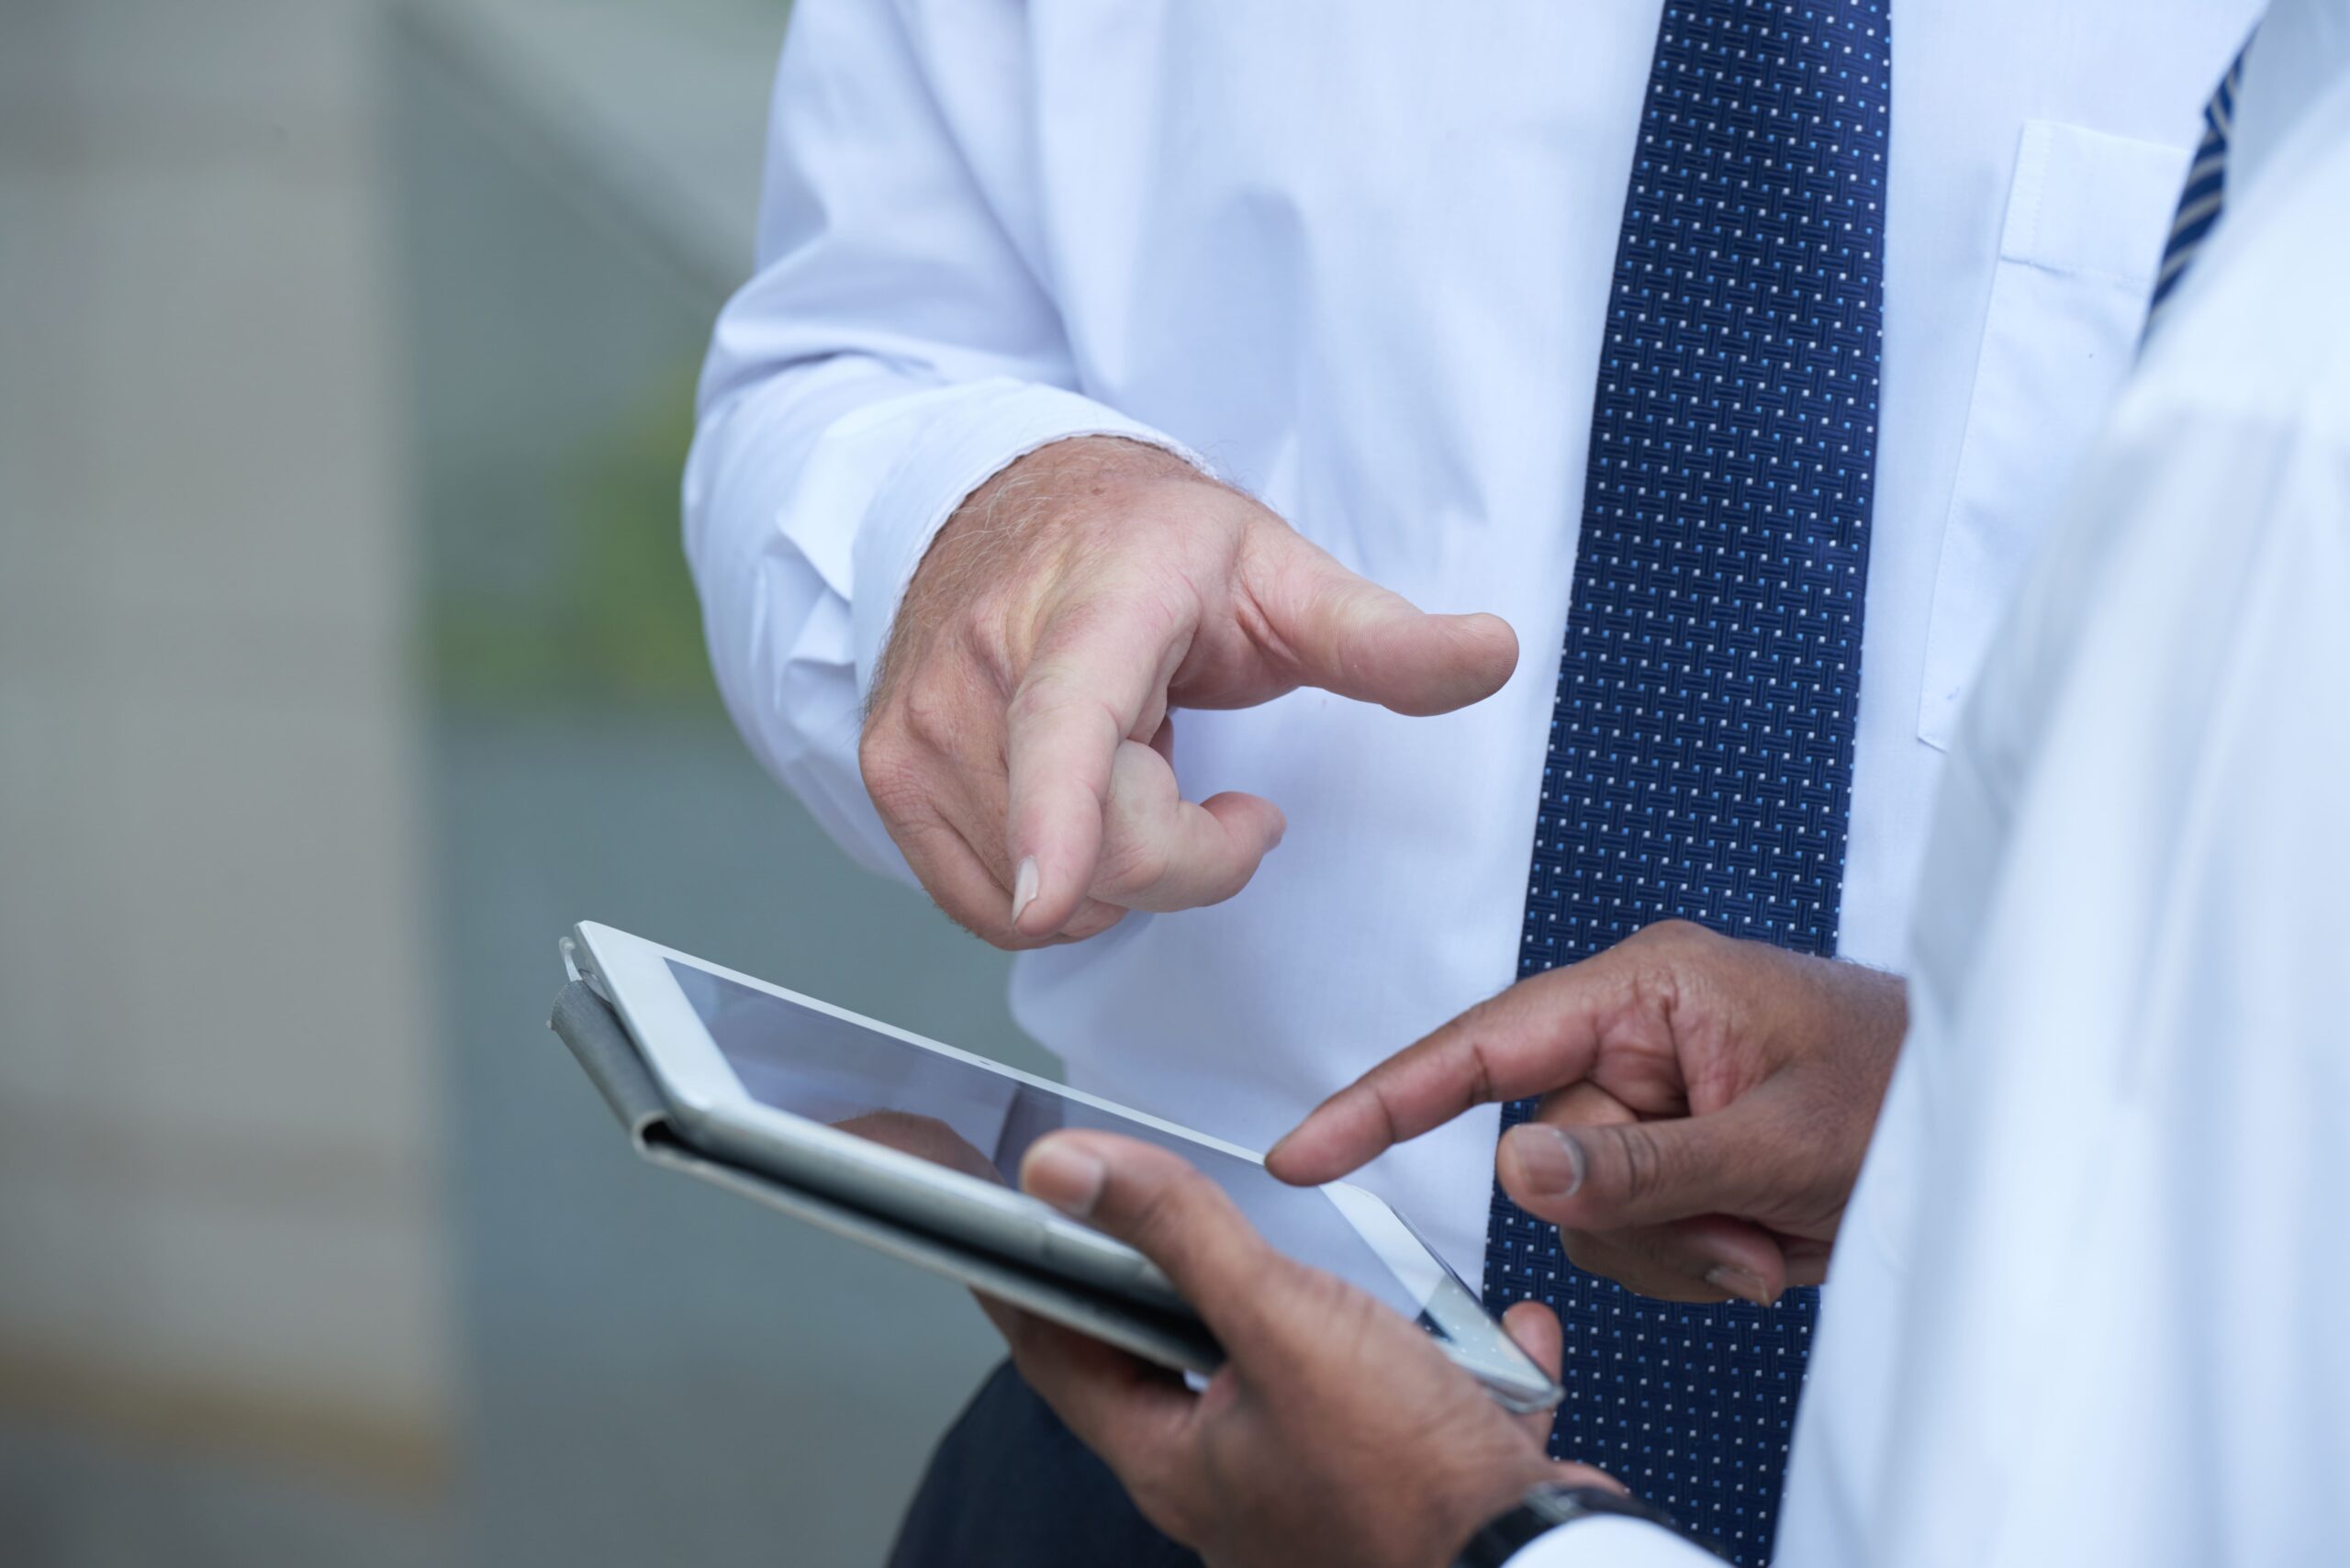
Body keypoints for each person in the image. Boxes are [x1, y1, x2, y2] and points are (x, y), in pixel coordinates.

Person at [685, 1, 2259, 1560]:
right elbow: (849, 352)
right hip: (1199, 1444)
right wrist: (992, 517)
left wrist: (1972, 1103)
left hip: (2090, 1494)